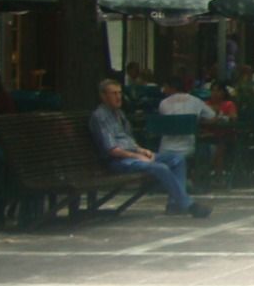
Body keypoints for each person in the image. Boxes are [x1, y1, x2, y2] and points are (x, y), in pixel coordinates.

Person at [86, 78, 211, 218]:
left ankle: (174, 204)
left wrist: (141, 150)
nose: (118, 97)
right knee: (160, 167)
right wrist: (137, 156)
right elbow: (112, 150)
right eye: (113, 93)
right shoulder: (100, 117)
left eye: (119, 93)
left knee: (178, 159)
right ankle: (188, 205)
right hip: (118, 161)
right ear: (103, 96)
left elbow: (128, 141)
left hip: (132, 155)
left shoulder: (119, 113)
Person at [153, 75, 219, 159]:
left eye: (165, 87)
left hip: (165, 149)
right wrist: (196, 121)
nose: (164, 90)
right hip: (188, 150)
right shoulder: (196, 101)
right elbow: (213, 118)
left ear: (172, 88)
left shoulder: (163, 103)